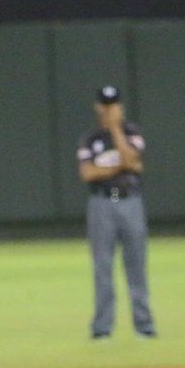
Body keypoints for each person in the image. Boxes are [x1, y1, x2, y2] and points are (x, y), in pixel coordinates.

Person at [76, 85, 157, 340]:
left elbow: (133, 161)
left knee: (137, 265)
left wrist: (115, 131)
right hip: (101, 204)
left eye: (115, 105)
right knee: (102, 267)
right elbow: (88, 173)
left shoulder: (131, 133)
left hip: (130, 202)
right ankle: (102, 329)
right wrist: (120, 167)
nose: (111, 109)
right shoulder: (90, 139)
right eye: (106, 105)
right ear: (98, 107)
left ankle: (144, 326)